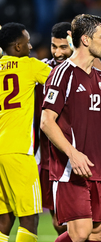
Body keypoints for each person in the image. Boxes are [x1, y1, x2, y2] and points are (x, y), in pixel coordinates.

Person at [40, 14, 101, 242]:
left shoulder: (100, 77)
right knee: (80, 233)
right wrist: (73, 154)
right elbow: (47, 121)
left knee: (97, 234)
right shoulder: (62, 74)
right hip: (72, 169)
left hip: (99, 169)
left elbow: (100, 125)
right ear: (86, 40)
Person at [0, 22, 51, 242]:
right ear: (18, 47)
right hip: (19, 151)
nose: (31, 47)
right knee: (30, 218)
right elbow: (64, 79)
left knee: (3, 219)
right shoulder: (29, 66)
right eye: (27, 42)